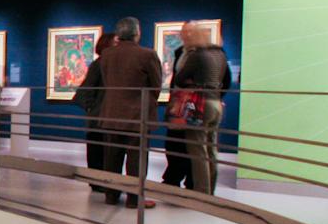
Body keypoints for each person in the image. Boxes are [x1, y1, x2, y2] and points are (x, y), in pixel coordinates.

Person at [98, 17, 162, 208]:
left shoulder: (107, 54)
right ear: (137, 33)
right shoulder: (147, 55)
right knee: (137, 160)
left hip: (112, 115)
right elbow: (156, 87)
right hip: (137, 116)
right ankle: (134, 199)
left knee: (112, 158)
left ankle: (111, 196)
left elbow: (107, 81)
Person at [174, 25, 231, 194]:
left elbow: (180, 78)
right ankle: (210, 190)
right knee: (211, 148)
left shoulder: (196, 55)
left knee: (197, 150)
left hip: (200, 106)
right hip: (216, 103)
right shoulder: (219, 54)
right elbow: (226, 80)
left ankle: (201, 191)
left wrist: (191, 83)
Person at [73, 32, 117, 190]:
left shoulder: (105, 64)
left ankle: (101, 182)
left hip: (103, 117)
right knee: (97, 151)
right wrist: (93, 107)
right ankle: (97, 183)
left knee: (102, 151)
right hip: (99, 118)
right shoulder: (100, 64)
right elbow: (85, 91)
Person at [160, 22, 197, 189]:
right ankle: (172, 179)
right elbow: (177, 79)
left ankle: (191, 182)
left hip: (194, 105)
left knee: (191, 143)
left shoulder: (203, 54)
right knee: (173, 142)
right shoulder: (179, 52)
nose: (186, 35)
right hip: (177, 104)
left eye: (189, 32)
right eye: (184, 32)